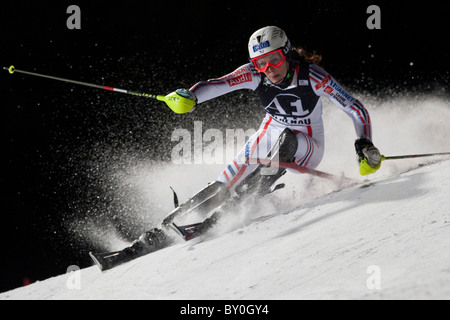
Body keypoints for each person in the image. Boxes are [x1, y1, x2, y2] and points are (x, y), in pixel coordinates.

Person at [90, 26, 382, 270]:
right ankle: (163, 230)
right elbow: (218, 84)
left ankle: (233, 208)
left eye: (274, 60)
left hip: (307, 142)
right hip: (271, 130)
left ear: (288, 53)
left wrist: (364, 142)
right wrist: (189, 96)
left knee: (285, 146)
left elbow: (354, 107)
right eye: (260, 64)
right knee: (227, 180)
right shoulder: (254, 74)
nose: (269, 70)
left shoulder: (312, 76)